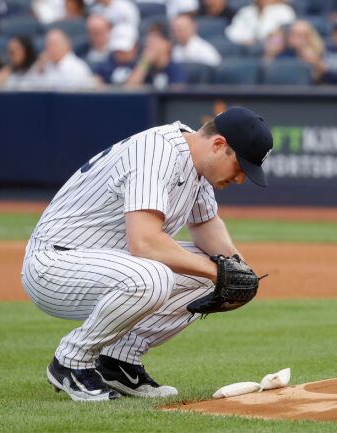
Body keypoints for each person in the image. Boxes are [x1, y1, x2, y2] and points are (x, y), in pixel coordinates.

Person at [21, 106, 273, 401]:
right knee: (155, 276)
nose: (241, 179)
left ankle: (117, 362)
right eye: (240, 167)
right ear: (219, 145)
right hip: (55, 264)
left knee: (215, 273)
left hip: (103, 264)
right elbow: (145, 243)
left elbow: (205, 225)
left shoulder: (195, 163)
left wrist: (238, 270)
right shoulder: (158, 152)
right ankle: (71, 361)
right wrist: (220, 272)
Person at [125, 23, 188, 89]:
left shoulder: (175, 69)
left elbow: (177, 95)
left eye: (155, 39)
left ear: (167, 44)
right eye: (149, 39)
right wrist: (145, 62)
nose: (150, 44)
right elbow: (129, 89)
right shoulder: (144, 66)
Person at [29, 28, 95, 89]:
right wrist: (40, 69)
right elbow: (27, 87)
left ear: (67, 45)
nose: (51, 48)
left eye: (54, 44)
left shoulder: (78, 67)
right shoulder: (43, 65)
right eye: (48, 45)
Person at [225, 0, 296, 45]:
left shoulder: (284, 10)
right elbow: (233, 32)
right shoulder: (246, 11)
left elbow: (287, 30)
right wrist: (243, 40)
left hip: (272, 48)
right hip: (246, 47)